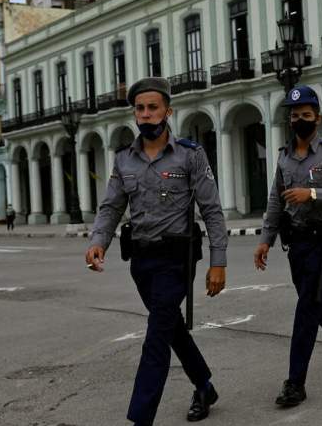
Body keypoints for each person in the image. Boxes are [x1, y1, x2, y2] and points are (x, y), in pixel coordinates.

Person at [84, 77, 228, 426]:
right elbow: (111, 207)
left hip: (176, 260)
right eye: (140, 109)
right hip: (142, 262)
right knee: (171, 329)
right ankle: (204, 386)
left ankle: (140, 419)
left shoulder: (190, 155)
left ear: (167, 111)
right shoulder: (123, 160)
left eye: (153, 108)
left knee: (156, 338)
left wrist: (218, 263)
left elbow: (211, 210)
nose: (146, 115)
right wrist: (98, 241)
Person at [253, 85, 322, 408]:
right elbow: (276, 200)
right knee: (311, 301)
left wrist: (313, 194)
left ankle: (295, 383)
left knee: (306, 308)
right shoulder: (284, 157)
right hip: (297, 240)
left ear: (317, 117)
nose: (299, 119)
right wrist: (265, 240)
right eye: (294, 115)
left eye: (305, 115)